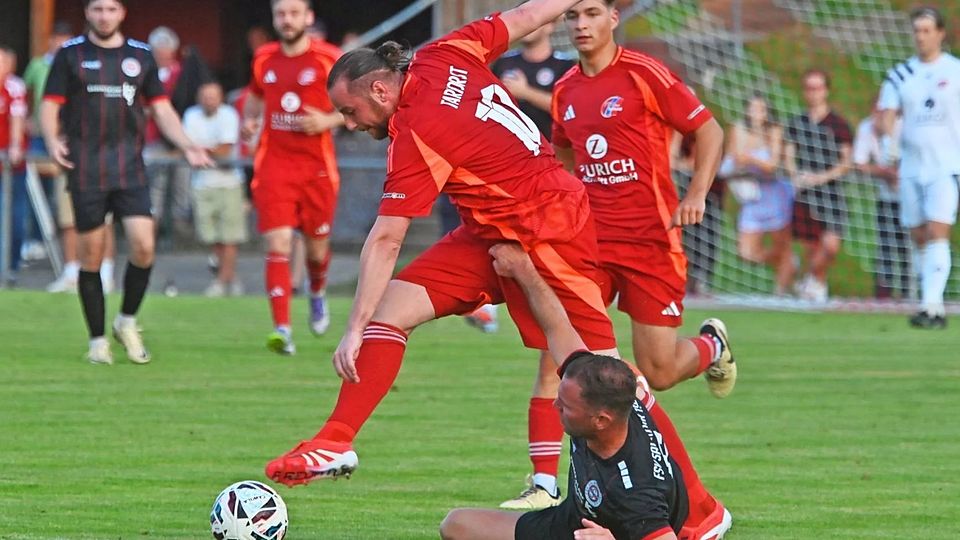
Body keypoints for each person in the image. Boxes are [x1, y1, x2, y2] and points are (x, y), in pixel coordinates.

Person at [263, 0, 626, 487]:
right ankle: (335, 441)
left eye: (350, 112)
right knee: (390, 309)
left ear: (379, 89)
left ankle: (699, 510)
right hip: (492, 229)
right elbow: (525, 17)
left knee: (610, 381)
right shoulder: (445, 51)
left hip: (548, 226)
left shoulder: (416, 130)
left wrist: (352, 330)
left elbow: (388, 237)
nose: (349, 124)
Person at [497, 0, 733, 510]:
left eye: (590, 14)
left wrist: (695, 195)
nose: (580, 25)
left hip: (651, 241)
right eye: (572, 16)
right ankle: (542, 485)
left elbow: (709, 130)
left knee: (660, 371)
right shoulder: (564, 90)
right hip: (587, 246)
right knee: (557, 356)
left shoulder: (644, 74)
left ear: (612, 19)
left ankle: (712, 347)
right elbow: (561, 156)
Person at [440, 243, 732, 540]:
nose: (556, 408)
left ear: (600, 420)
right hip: (570, 521)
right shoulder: (601, 393)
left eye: (566, 407)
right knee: (456, 525)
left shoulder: (636, 492)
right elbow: (557, 325)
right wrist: (523, 270)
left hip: (616, 534)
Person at [41, 0, 212, 365]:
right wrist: (52, 138)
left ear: (122, 14)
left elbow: (161, 108)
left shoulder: (141, 56)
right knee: (90, 255)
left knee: (143, 245)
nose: (104, 15)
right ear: (88, 13)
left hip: (128, 168)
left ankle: (126, 320)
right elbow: (50, 104)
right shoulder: (70, 55)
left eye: (111, 9)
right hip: (86, 168)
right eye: (98, 9)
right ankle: (97, 340)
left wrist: (187, 145)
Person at [455, 16, 574, 334]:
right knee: (495, 232)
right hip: (506, 169)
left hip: (553, 170)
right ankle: (486, 303)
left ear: (551, 25)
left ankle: (558, 306)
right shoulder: (500, 63)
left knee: (542, 247)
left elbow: (570, 109)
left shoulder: (565, 67)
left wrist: (525, 92)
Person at [241, 0, 343, 354]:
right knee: (278, 244)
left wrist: (328, 121)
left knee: (316, 250)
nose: (287, 20)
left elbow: (362, 105)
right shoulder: (264, 57)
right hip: (274, 165)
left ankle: (317, 291)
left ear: (308, 17)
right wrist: (250, 122)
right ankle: (282, 329)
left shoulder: (330, 57)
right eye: (281, 14)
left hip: (317, 169)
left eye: (294, 13)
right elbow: (254, 97)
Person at [877, 6, 959, 328]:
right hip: (911, 166)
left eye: (927, 30)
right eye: (917, 31)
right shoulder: (901, 74)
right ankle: (927, 301)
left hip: (946, 166)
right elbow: (887, 112)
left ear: (940, 33)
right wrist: (888, 145)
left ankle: (932, 307)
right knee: (918, 234)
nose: (921, 37)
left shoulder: (954, 71)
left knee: (939, 231)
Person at [784, 69, 852, 303]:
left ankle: (812, 280)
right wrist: (796, 175)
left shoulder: (838, 124)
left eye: (818, 88)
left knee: (830, 245)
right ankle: (817, 287)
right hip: (805, 194)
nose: (813, 93)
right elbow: (789, 154)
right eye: (809, 88)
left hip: (830, 193)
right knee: (811, 246)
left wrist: (821, 177)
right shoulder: (797, 122)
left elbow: (846, 162)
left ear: (826, 91)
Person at [723, 93, 794, 295]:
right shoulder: (738, 129)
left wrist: (749, 159)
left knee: (782, 243)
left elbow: (772, 165)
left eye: (761, 109)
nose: (756, 113)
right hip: (752, 198)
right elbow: (732, 160)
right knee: (746, 253)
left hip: (775, 195)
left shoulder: (774, 130)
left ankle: (780, 292)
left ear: (768, 112)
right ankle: (786, 261)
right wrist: (745, 161)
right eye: (752, 108)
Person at [183, 82, 248, 297]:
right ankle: (230, 277)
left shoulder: (229, 115)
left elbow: (226, 148)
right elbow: (188, 147)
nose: (209, 100)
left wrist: (202, 150)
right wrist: (206, 149)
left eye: (213, 96)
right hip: (202, 184)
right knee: (211, 238)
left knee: (229, 236)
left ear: (221, 97)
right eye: (205, 96)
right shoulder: (191, 115)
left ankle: (222, 281)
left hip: (228, 183)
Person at [853, 107, 910, 299]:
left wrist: (898, 172)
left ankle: (909, 292)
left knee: (909, 245)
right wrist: (884, 173)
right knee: (885, 245)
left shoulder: (906, 126)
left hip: (912, 198)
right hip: (887, 198)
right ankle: (883, 294)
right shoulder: (867, 127)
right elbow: (859, 164)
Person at [0, 46, 28, 285]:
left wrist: (16, 146)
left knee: (13, 213)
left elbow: (17, 119)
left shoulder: (14, 86)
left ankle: (11, 263)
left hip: (10, 167)